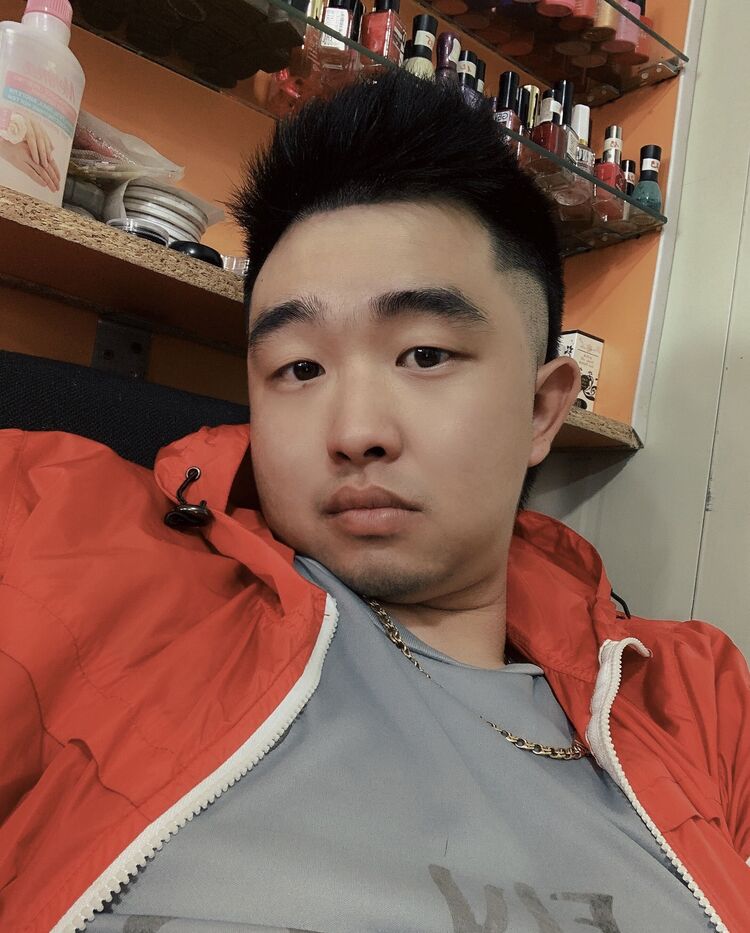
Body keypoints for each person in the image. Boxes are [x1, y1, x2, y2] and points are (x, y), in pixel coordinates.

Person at [0, 70, 748, 933]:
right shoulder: (72, 547)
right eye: (299, 368)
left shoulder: (690, 699)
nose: (355, 430)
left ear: (543, 410)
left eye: (424, 354)